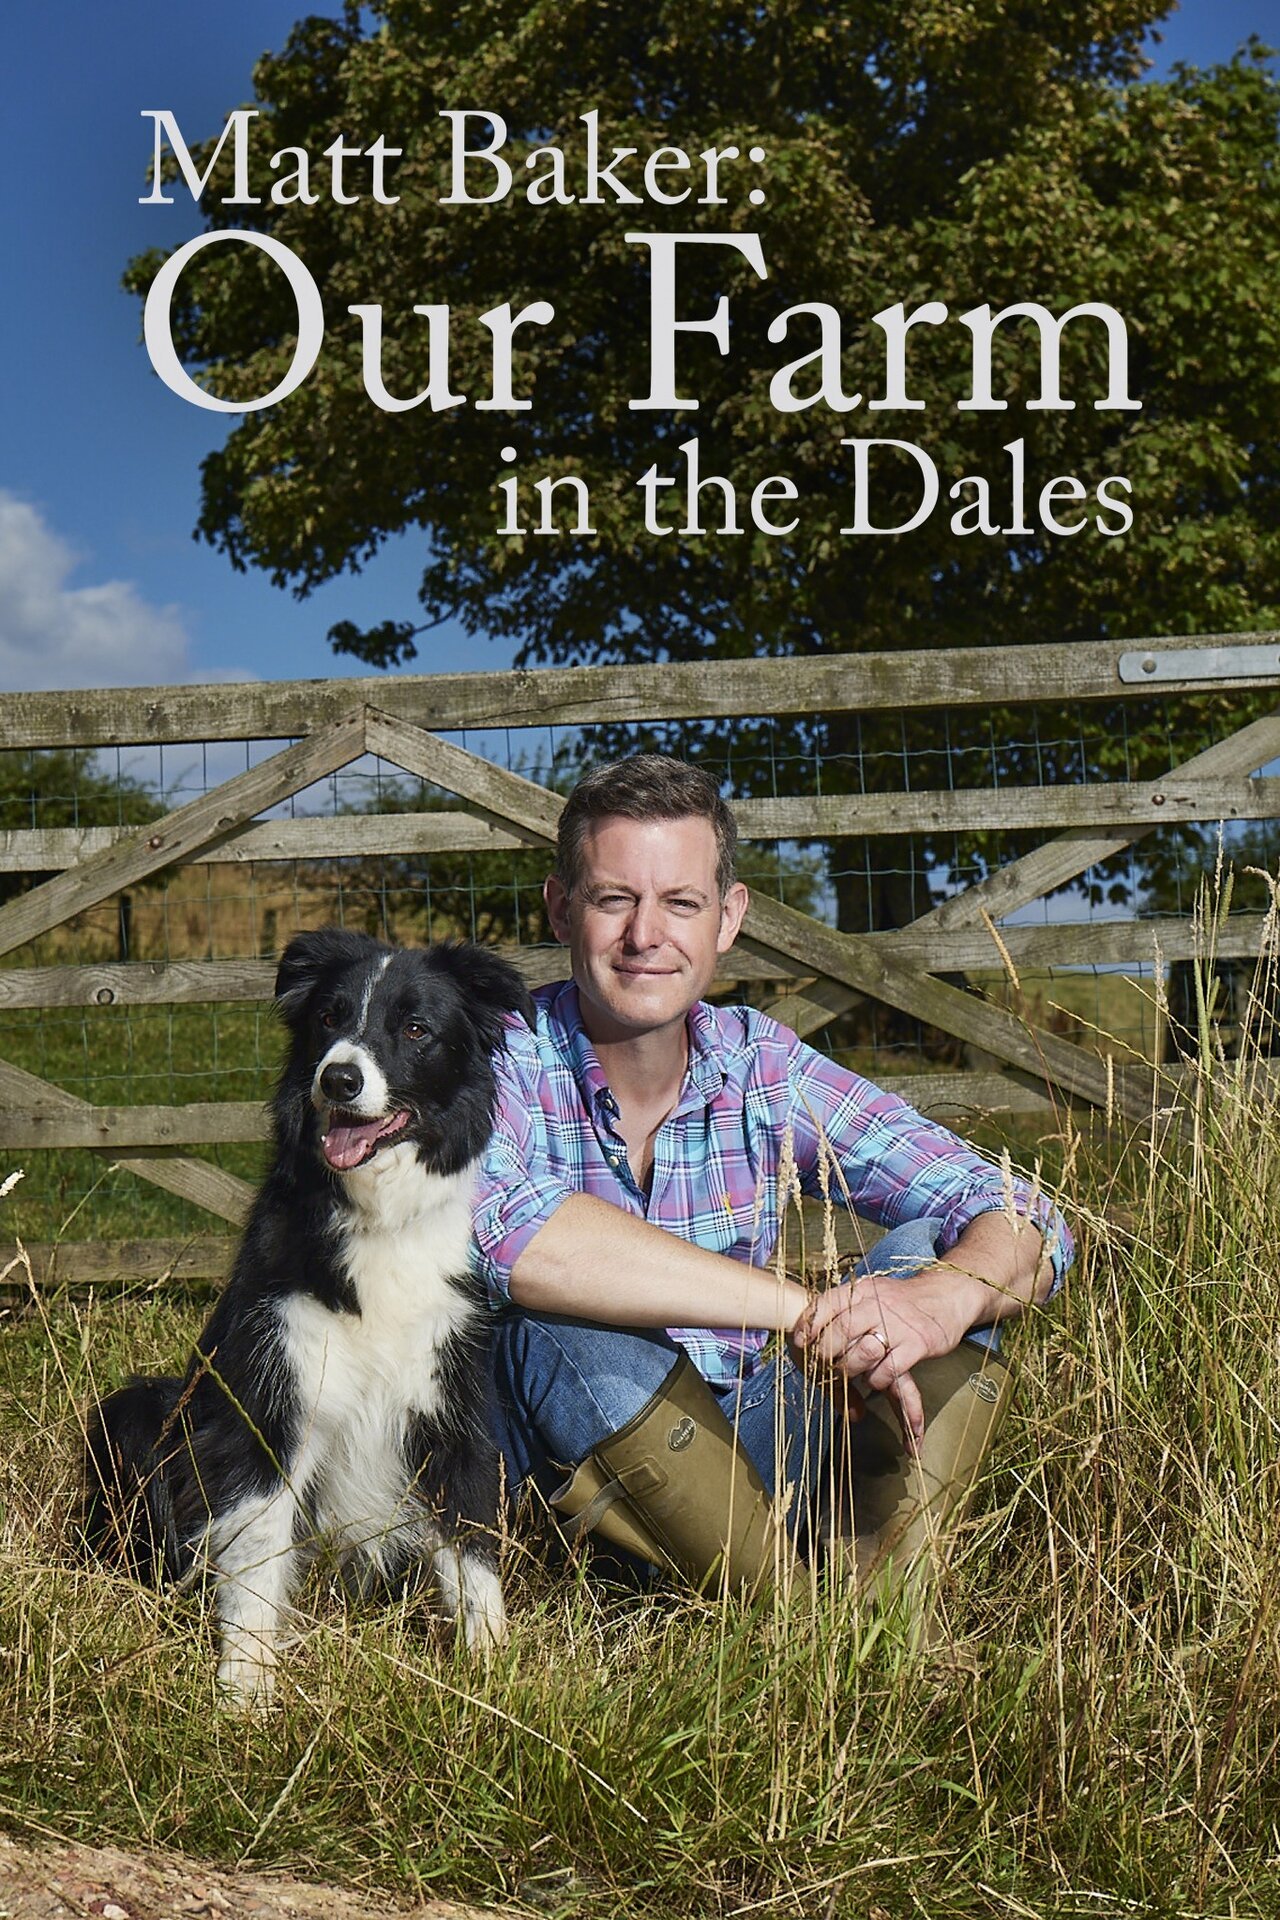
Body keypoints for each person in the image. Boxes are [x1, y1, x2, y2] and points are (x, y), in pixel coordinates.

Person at [471, 754, 1072, 1596]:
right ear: (562, 909)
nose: (647, 936)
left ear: (728, 918)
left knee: (920, 1258)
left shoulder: (760, 1062)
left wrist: (938, 1304)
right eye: (616, 900)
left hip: (760, 1437)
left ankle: (877, 1613)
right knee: (561, 1334)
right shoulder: (492, 1051)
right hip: (567, 1477)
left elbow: (1016, 1210)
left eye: (681, 902)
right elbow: (510, 1235)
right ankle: (787, 1629)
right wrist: (802, 1311)